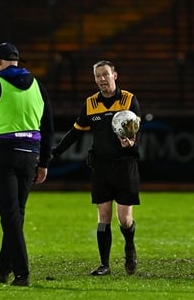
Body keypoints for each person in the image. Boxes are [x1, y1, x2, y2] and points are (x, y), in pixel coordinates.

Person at [0, 42, 54, 287]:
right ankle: (3, 271)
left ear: (0, 61)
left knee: (10, 216)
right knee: (16, 215)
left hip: (2, 156)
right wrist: (44, 161)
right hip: (29, 156)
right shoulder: (38, 86)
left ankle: (22, 273)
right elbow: (48, 127)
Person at [52, 60, 140, 277]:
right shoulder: (91, 103)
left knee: (124, 219)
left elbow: (137, 129)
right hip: (100, 166)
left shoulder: (129, 99)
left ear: (115, 75)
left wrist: (132, 142)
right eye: (97, 76)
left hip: (124, 166)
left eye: (105, 75)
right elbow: (75, 132)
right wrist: (54, 153)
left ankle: (129, 246)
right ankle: (104, 264)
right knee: (103, 215)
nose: (101, 79)